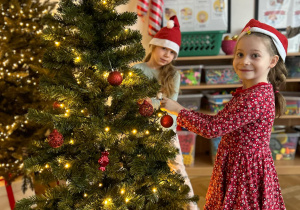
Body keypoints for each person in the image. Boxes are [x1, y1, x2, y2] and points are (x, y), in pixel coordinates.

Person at [160, 19, 288, 209]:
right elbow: (219, 121)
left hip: (244, 172)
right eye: (240, 54)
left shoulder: (254, 98)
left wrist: (178, 110)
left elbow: (213, 129)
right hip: (239, 164)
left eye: (255, 55)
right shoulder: (254, 91)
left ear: (272, 61)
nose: (245, 61)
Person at [133, 16, 198, 210]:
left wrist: (148, 101)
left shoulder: (173, 75)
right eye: (164, 49)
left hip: (165, 129)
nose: (166, 55)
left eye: (171, 52)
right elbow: (132, 100)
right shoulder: (137, 69)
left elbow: (170, 105)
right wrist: (154, 100)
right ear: (154, 45)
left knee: (177, 167)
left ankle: (191, 206)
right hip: (138, 129)